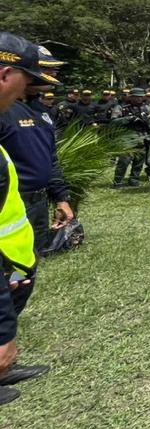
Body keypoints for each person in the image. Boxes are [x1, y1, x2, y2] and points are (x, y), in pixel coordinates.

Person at [0, 32, 61, 405]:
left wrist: (60, 195)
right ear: (6, 74)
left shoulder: (36, 112)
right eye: (29, 79)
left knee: (19, 284)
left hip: (23, 220)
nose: (31, 89)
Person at [111, 88, 150, 188]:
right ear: (131, 97)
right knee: (124, 160)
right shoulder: (121, 107)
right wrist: (129, 119)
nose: (139, 99)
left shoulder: (146, 108)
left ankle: (134, 180)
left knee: (139, 160)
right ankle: (118, 181)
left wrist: (148, 122)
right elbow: (113, 122)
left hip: (142, 136)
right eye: (136, 97)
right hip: (127, 136)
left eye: (141, 97)